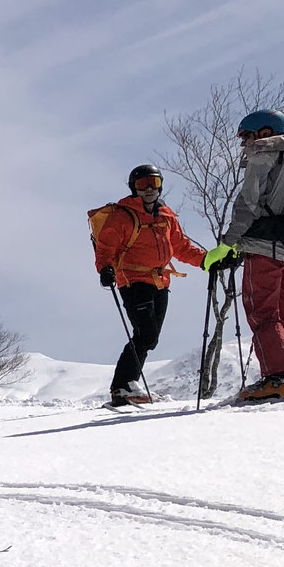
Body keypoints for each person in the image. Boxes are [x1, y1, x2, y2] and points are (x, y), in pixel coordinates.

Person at [210, 108, 284, 403]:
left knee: (262, 311)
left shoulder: (263, 153)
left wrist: (229, 243)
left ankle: (277, 378)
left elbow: (248, 204)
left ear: (264, 132)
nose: (244, 143)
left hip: (262, 247)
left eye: (246, 136)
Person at [90, 164, 205, 406]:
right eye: (143, 184)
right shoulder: (121, 216)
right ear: (134, 188)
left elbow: (181, 247)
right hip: (132, 280)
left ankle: (127, 386)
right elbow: (106, 247)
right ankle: (122, 387)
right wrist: (105, 269)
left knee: (150, 339)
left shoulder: (166, 216)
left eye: (154, 183)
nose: (150, 189)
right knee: (145, 334)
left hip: (160, 281)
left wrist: (205, 261)